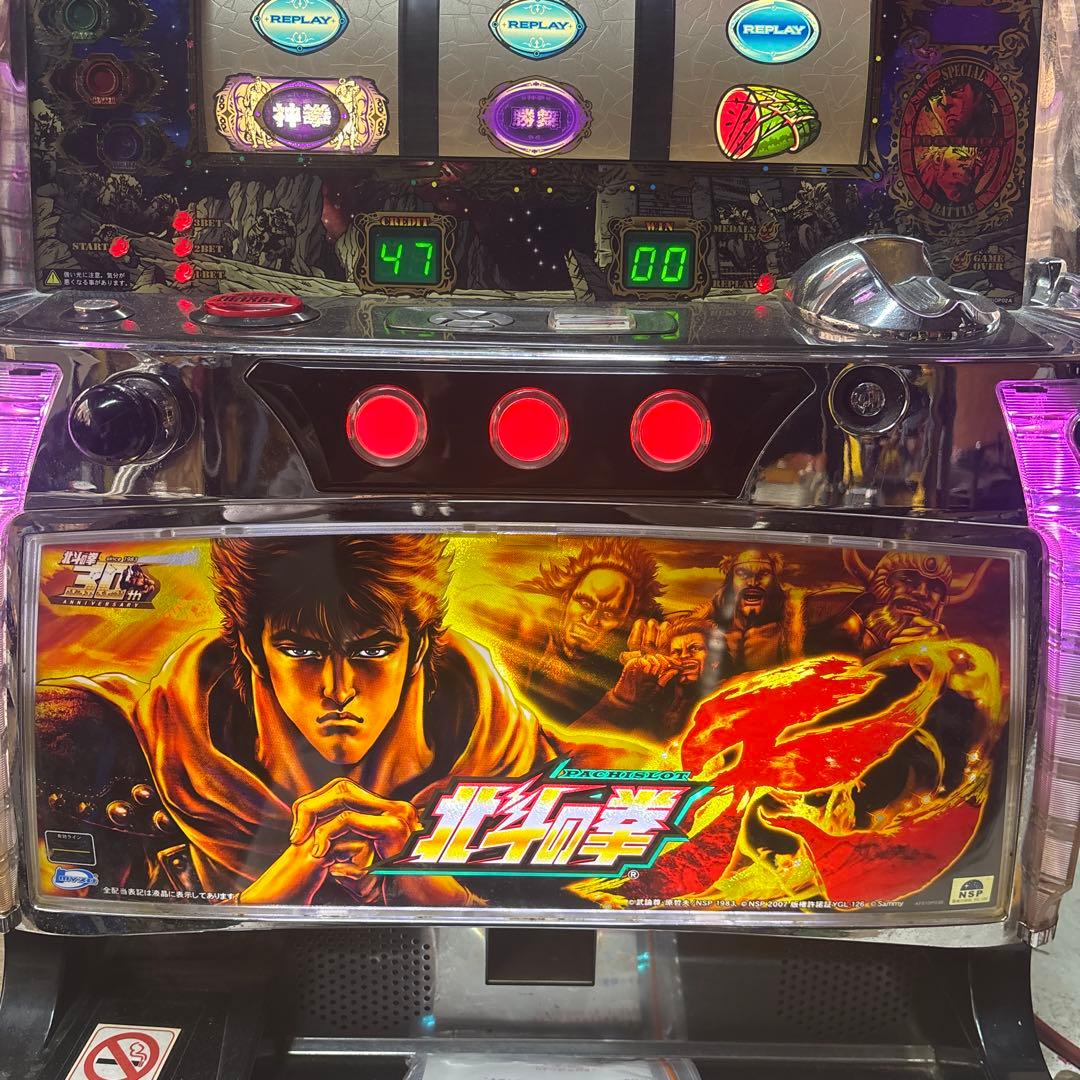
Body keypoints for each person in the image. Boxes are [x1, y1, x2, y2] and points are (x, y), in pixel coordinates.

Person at [37, 535, 550, 906]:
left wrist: (430, 885)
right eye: (301, 651)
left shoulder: (519, 766)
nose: (338, 690)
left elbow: (568, 942)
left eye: (373, 651)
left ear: (416, 650)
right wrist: (279, 887)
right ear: (252, 651)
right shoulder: (117, 745)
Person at [486, 536, 665, 726]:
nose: (591, 620)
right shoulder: (524, 630)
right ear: (566, 598)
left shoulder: (623, 660)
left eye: (609, 613)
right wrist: (621, 702)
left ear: (625, 622)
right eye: (585, 603)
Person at [576, 616, 727, 743]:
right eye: (676, 651)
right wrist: (622, 700)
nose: (684, 656)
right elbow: (583, 741)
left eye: (694, 648)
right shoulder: (657, 698)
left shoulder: (728, 695)